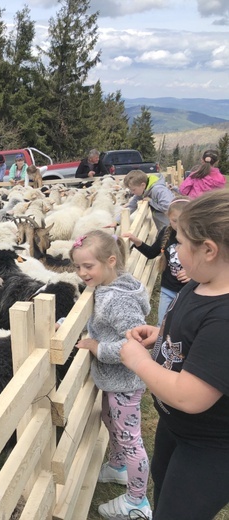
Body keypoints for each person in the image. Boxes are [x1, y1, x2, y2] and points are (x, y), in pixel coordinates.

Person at [122, 190, 229, 520]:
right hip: (176, 428)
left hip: (210, 446)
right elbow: (189, 337)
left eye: (180, 242)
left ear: (208, 250)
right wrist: (160, 339)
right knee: (164, 488)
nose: (175, 250)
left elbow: (190, 396)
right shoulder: (198, 283)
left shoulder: (225, 318)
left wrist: (138, 361)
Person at [69, 230, 152, 519]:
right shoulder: (108, 288)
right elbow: (102, 324)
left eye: (88, 266)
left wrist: (98, 348)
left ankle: (137, 501)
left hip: (126, 382)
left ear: (111, 261)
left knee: (131, 439)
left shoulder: (118, 300)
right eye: (77, 267)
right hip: (114, 381)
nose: (82, 273)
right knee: (109, 418)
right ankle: (117, 467)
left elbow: (136, 342)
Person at [123, 197, 191, 326]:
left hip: (190, 291)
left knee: (185, 325)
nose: (179, 225)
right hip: (168, 289)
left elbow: (208, 264)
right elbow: (151, 253)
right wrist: (136, 241)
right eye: (174, 221)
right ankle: (160, 346)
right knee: (162, 324)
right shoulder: (165, 233)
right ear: (168, 217)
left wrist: (192, 274)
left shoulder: (198, 237)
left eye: (184, 221)